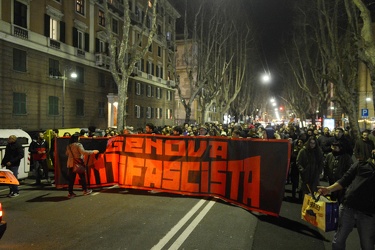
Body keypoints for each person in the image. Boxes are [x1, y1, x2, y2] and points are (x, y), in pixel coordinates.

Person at [318, 153, 375, 250]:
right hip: (348, 208)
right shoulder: (360, 165)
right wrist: (328, 189)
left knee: (367, 245)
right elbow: (344, 180)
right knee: (338, 240)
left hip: (368, 213)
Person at [65, 133, 99, 198]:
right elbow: (83, 152)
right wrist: (93, 151)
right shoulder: (78, 145)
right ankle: (85, 190)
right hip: (78, 162)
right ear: (77, 138)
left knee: (71, 179)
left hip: (70, 163)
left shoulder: (69, 146)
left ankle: (70, 193)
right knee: (82, 177)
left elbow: (67, 153)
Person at [296, 136, 324, 202]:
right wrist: (303, 170)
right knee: (305, 192)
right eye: (311, 143)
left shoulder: (318, 152)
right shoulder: (303, 151)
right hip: (305, 175)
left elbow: (321, 163)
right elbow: (298, 162)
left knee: (314, 193)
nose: (312, 145)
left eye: (314, 143)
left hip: (314, 174)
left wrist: (319, 171)